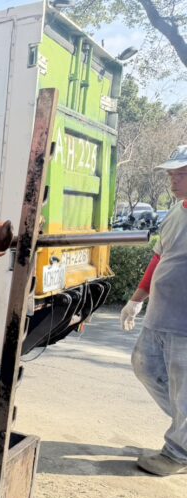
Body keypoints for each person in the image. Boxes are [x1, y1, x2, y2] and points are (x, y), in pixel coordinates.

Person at [121, 145, 187, 476]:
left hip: (184, 324)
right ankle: (183, 429)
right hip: (160, 315)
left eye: (181, 174)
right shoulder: (176, 212)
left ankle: (178, 454)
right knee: (144, 365)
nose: (173, 180)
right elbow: (160, 257)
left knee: (185, 388)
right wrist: (136, 300)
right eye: (171, 174)